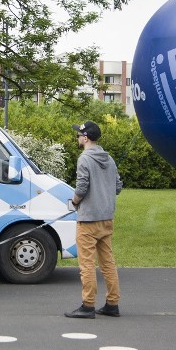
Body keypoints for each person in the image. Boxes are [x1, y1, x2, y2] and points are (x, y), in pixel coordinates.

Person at [64, 121, 123, 320]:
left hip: (88, 220)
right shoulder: (110, 159)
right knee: (108, 263)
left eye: (79, 135)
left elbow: (81, 188)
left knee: (87, 264)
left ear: (86, 138)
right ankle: (112, 304)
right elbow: (117, 187)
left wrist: (74, 202)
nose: (77, 138)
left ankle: (88, 305)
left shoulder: (84, 159)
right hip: (106, 218)